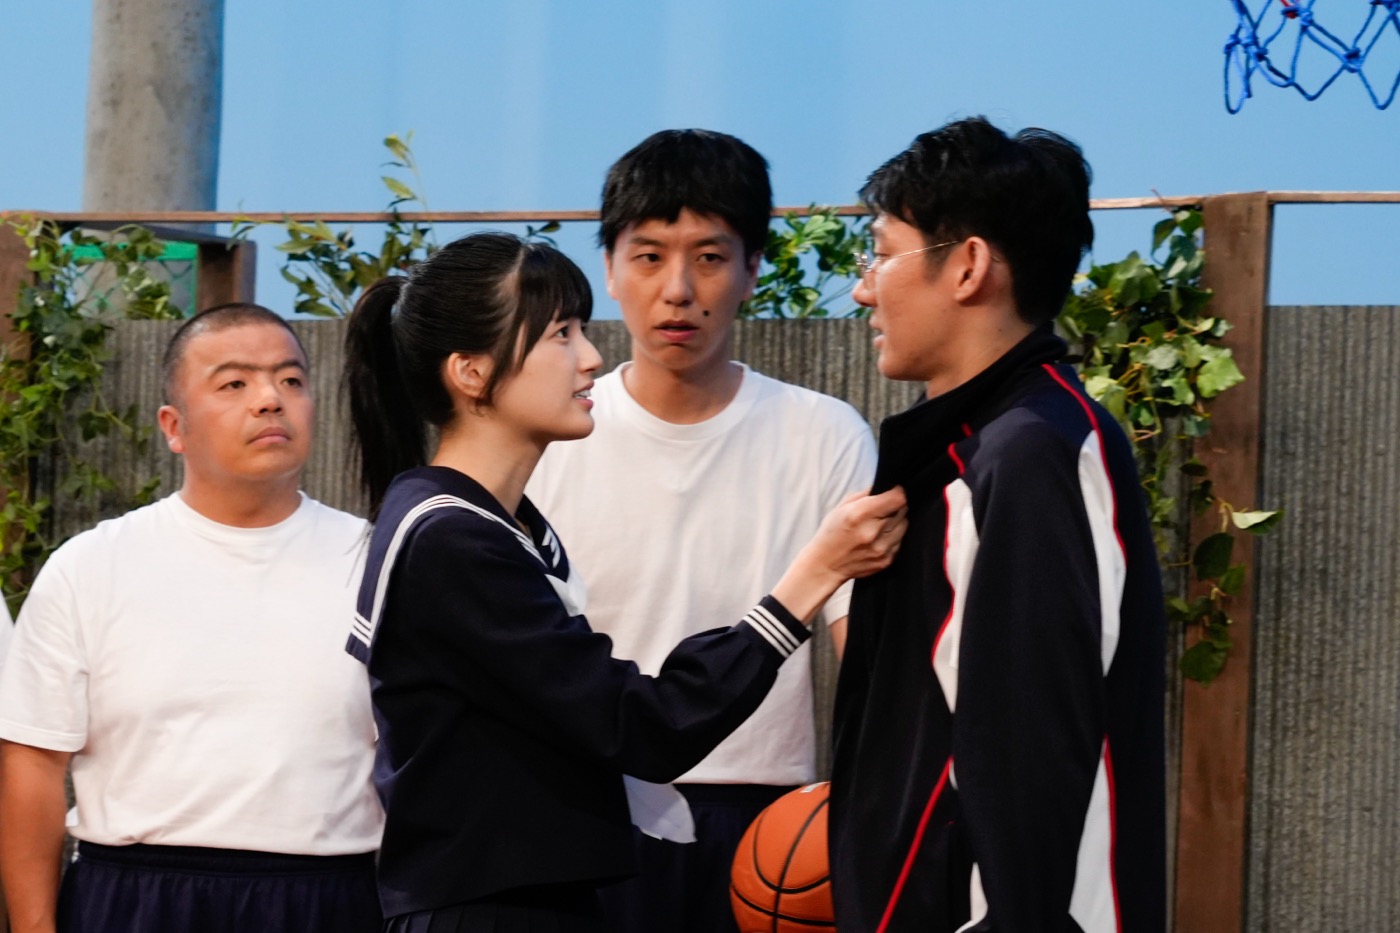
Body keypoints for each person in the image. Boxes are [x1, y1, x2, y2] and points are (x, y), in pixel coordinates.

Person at [341, 231, 905, 932]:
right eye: (560, 334)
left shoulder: (482, 521)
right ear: (472, 372)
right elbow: (642, 726)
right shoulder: (450, 539)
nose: (591, 357)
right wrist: (809, 580)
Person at [526, 128, 878, 933]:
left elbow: (868, 651)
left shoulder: (824, 433)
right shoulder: (550, 436)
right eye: (649, 257)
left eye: (710, 257)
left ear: (753, 267)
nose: (677, 289)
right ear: (609, 267)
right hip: (588, 805)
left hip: (767, 824)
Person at [828, 118, 1166, 932]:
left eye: (881, 253)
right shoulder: (978, 449)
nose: (864, 289)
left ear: (968, 265)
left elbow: (1029, 760)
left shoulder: (1030, 456)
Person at [0, 305, 383, 933]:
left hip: (327, 897)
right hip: (133, 899)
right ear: (173, 427)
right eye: (234, 383)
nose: (270, 399)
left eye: (291, 379)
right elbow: (34, 765)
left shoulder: (377, 562)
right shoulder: (90, 566)